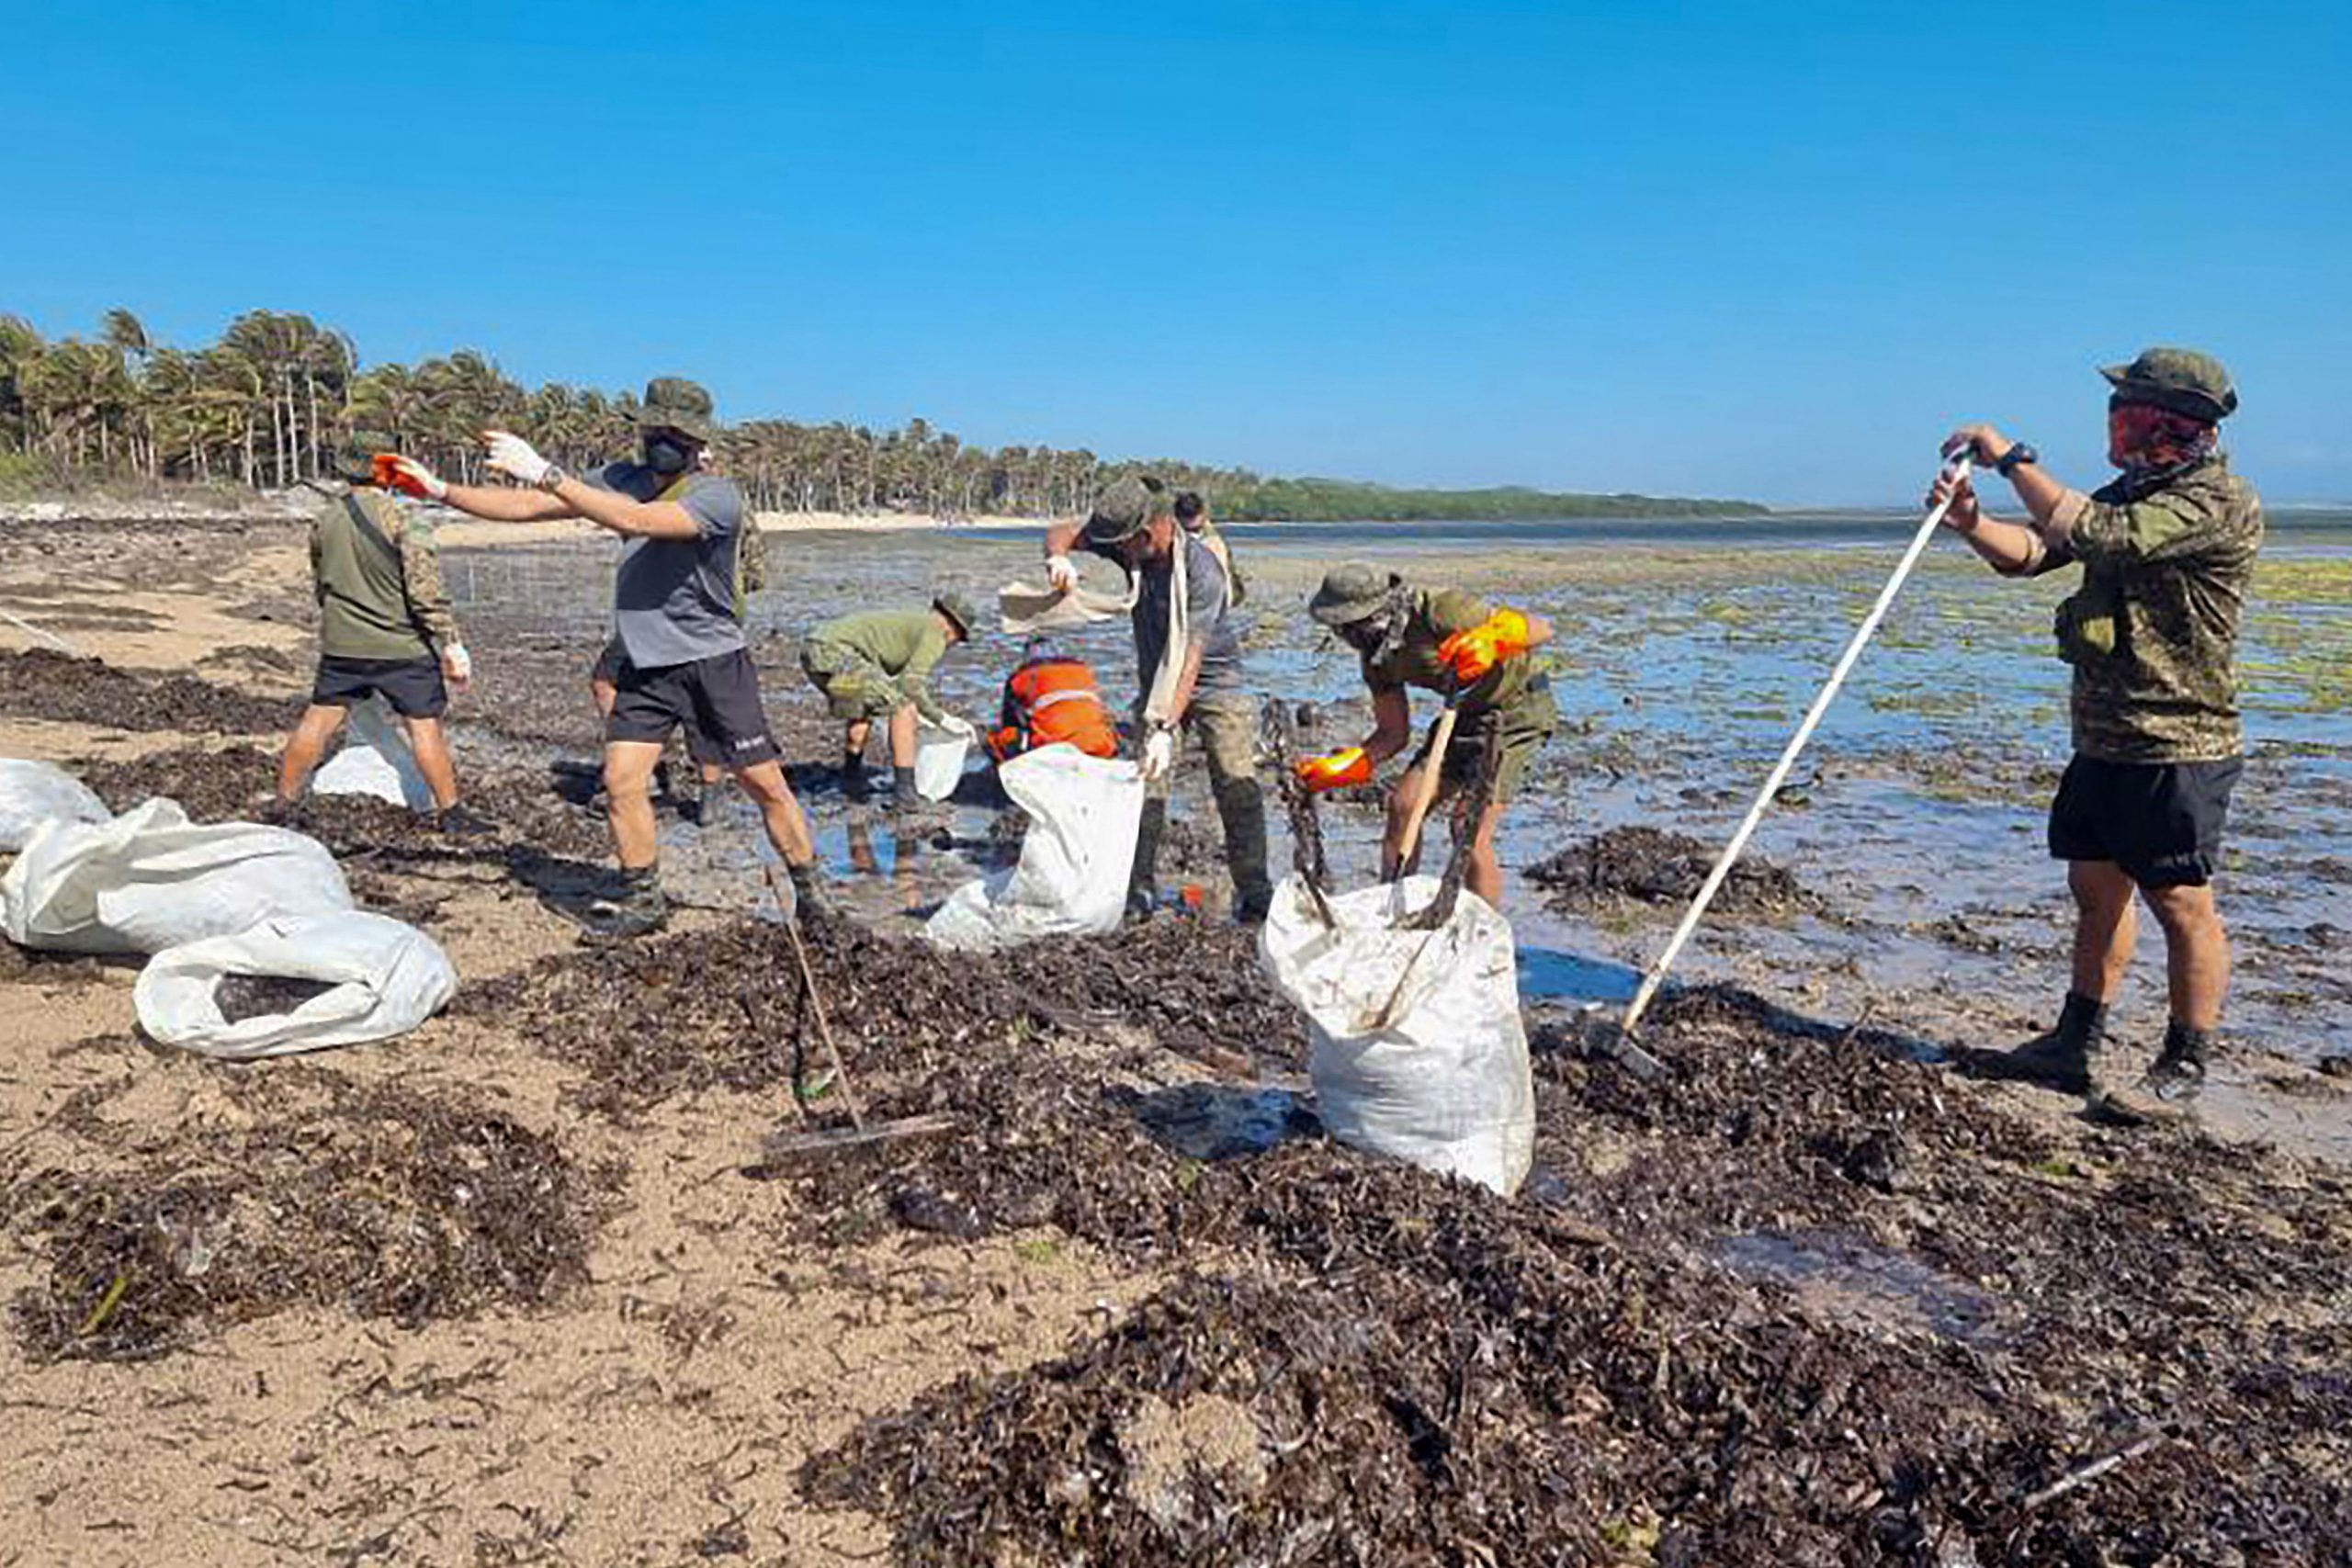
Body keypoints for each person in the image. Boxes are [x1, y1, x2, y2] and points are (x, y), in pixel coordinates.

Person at [1936, 347, 2262, 1122]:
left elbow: (2103, 535)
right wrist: (1973, 522)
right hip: (2105, 737)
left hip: (2179, 741)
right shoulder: (2126, 492)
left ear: (2175, 422)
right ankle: (2073, 1042)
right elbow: (2036, 552)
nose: (2115, 424)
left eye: (2131, 409)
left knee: (2181, 901)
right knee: (2095, 889)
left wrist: (2011, 457)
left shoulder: (2214, 501)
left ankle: (2183, 1063)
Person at [390, 377, 834, 935]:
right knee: (623, 783)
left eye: (675, 432)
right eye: (655, 429)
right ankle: (644, 899)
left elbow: (639, 522)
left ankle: (813, 896)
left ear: (697, 440)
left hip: (712, 662)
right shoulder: (621, 479)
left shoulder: (717, 496)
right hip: (645, 663)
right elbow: (526, 505)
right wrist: (440, 492)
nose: (661, 440)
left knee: (765, 784)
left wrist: (550, 472)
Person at [1062, 476, 1272, 922]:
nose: (1120, 553)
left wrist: (1162, 727)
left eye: (1124, 545)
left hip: (1215, 682)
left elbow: (1189, 660)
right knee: (1143, 787)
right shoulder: (1129, 550)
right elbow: (1060, 533)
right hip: (1156, 681)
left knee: (1236, 786)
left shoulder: (1203, 570)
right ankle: (1136, 888)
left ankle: (1255, 891)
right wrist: (1056, 560)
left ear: (1148, 532)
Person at [1295, 563, 1557, 908]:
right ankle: (1393, 908)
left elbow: (1541, 629)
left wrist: (1491, 639)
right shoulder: (1376, 659)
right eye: (1340, 629)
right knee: (1404, 805)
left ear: (1379, 610)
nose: (1348, 637)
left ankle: (1484, 930)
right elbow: (1392, 734)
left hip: (1517, 712)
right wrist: (1338, 769)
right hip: (1462, 715)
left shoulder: (1439, 609)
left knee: (1468, 826)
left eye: (1350, 625)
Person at [276, 434, 480, 828]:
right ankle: (451, 812)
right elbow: (425, 591)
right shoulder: (403, 518)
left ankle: (282, 803)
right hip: (401, 647)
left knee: (316, 724)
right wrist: (451, 640)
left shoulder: (324, 519)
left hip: (343, 645)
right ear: (388, 469)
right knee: (424, 728)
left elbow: (322, 585)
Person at [798, 593, 980, 810]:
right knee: (903, 707)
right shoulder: (935, 633)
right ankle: (905, 794)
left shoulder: (917, 624)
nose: (953, 645)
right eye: (958, 640)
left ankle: (851, 778)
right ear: (952, 627)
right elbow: (910, 685)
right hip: (835, 652)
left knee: (864, 706)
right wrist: (940, 718)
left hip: (814, 648)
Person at [986, 637, 1120, 763]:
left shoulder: (1021, 677)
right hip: (1102, 747)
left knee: (997, 738)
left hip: (1053, 750)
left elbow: (1010, 721)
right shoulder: (1084, 672)